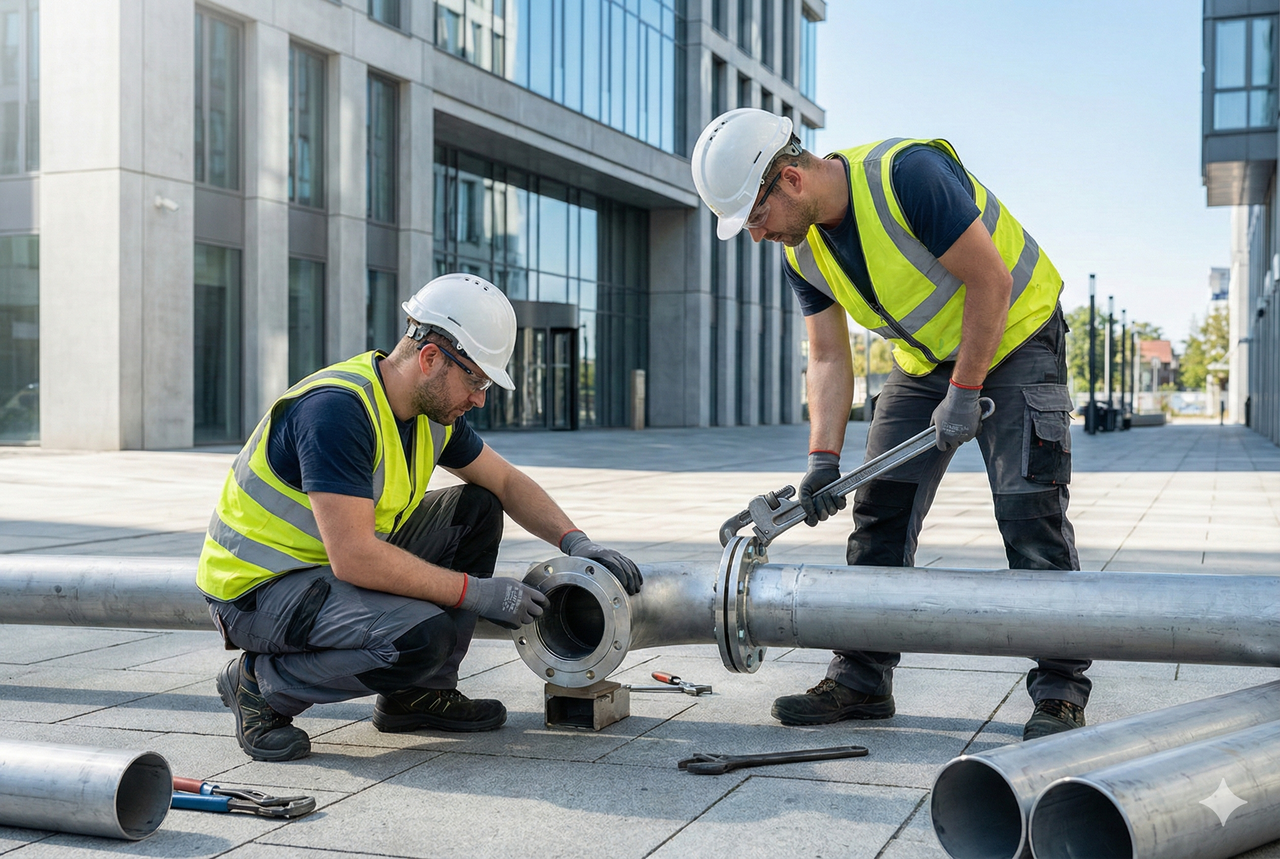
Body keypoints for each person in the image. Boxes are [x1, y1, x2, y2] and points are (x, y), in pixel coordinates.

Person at [691, 109, 1086, 741]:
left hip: (1016, 334)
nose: (758, 235)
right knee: (879, 513)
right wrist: (823, 456)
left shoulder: (908, 176)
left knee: (1027, 511)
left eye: (756, 219)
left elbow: (992, 280)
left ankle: (1061, 691)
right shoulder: (805, 254)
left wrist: (965, 390)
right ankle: (862, 678)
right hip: (926, 360)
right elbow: (825, 354)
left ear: (790, 180)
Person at [197, 273, 643, 762]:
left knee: (477, 507)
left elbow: (508, 483)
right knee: (418, 638)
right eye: (476, 379)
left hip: (326, 568)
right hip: (259, 591)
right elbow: (355, 558)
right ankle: (260, 685)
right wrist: (477, 592)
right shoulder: (336, 412)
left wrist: (576, 542)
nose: (479, 398)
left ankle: (417, 696)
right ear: (431, 358)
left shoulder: (429, 415)